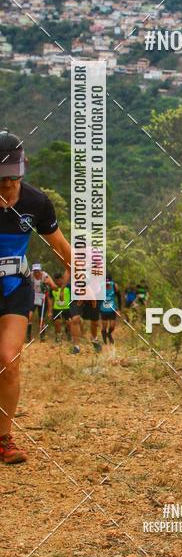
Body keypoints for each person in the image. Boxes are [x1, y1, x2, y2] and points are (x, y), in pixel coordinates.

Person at [0, 131, 71, 464]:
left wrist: (79, 272)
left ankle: (4, 439)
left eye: (14, 176)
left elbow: (59, 244)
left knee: (9, 360)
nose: (8, 184)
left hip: (16, 285)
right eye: (2, 178)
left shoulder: (36, 202)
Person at [27, 263, 56, 342]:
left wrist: (48, 283)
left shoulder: (45, 276)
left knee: (41, 319)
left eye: (38, 271)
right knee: (29, 316)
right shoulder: (30, 276)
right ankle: (28, 337)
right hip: (33, 297)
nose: (36, 273)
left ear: (40, 270)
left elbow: (54, 287)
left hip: (43, 297)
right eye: (35, 271)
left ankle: (42, 337)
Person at [100, 274, 121, 345]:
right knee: (104, 326)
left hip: (112, 309)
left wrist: (119, 309)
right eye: (105, 283)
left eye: (108, 283)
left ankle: (109, 334)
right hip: (103, 309)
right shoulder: (101, 287)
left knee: (112, 326)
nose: (107, 285)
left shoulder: (115, 286)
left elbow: (119, 297)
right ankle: (104, 340)